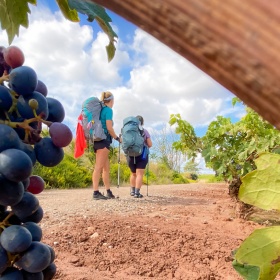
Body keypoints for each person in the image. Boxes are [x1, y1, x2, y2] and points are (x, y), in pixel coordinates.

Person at [92, 91, 121, 200]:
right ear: (111, 100)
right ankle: (95, 193)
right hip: (103, 141)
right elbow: (109, 127)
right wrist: (117, 138)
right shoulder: (108, 110)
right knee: (98, 168)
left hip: (98, 140)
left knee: (106, 169)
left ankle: (108, 191)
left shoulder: (100, 110)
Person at [127, 115, 152, 198]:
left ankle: (132, 191)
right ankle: (137, 193)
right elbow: (150, 144)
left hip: (130, 154)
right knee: (139, 174)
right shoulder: (145, 131)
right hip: (142, 155)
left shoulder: (129, 131)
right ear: (142, 122)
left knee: (133, 174)